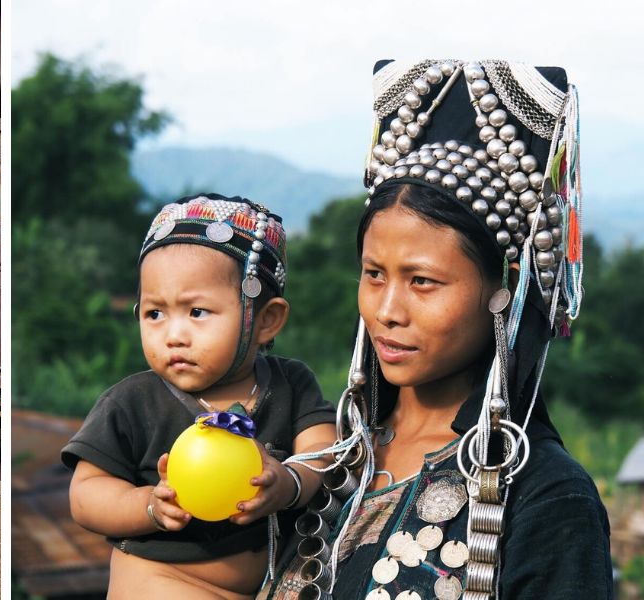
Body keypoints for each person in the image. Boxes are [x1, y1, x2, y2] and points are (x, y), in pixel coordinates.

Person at [267, 60, 609, 600]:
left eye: (423, 281)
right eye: (374, 275)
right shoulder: (318, 461)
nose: (387, 310)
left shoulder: (547, 497)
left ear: (504, 291)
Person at [64, 194, 338, 599]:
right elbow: (85, 495)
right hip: (161, 581)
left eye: (197, 313)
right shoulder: (132, 402)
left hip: (268, 581)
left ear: (266, 320)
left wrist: (290, 482)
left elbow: (324, 446)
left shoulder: (290, 383)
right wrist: (149, 507)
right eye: (155, 313)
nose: (174, 335)